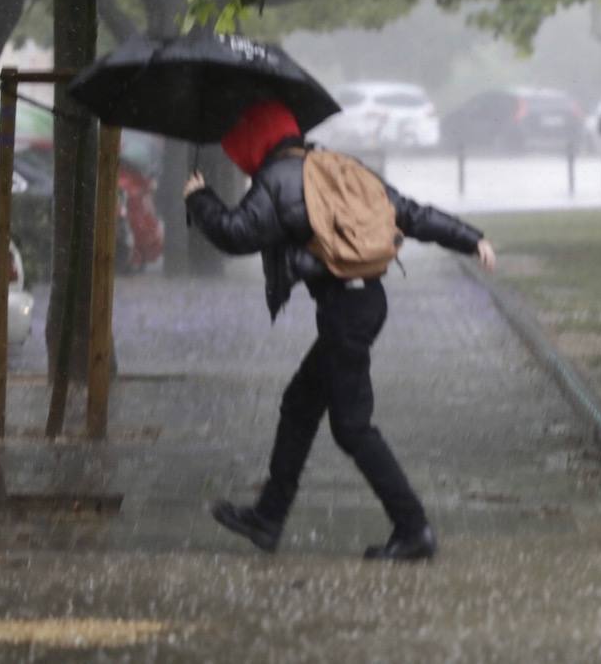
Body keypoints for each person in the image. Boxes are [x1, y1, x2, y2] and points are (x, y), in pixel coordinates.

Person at [184, 100, 496, 560]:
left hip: (346, 312)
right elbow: (407, 212)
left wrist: (199, 197)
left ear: (255, 141)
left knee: (352, 427)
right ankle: (268, 518)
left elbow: (236, 233)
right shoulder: (336, 166)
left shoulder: (278, 179)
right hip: (363, 302)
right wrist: (471, 238)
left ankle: (413, 528)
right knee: (299, 404)